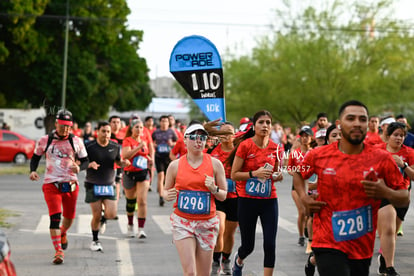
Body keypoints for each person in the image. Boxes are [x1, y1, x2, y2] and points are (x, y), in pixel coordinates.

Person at [293, 100, 409, 276]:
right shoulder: (319, 155)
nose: (357, 123)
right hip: (327, 239)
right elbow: (298, 174)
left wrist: (385, 192)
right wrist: (304, 197)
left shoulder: (381, 158)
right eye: (351, 118)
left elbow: (404, 197)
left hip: (361, 245)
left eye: (362, 119)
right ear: (339, 124)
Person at [163, 123, 228, 276]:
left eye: (202, 137)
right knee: (190, 272)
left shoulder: (215, 164)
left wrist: (214, 189)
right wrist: (167, 195)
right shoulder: (175, 166)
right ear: (185, 140)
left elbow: (223, 195)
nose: (198, 141)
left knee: (203, 273)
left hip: (207, 223)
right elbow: (165, 191)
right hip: (183, 222)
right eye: (193, 137)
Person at [228, 110, 284, 276]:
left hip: (269, 200)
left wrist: (277, 176)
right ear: (254, 125)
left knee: (270, 244)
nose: (265, 126)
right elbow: (234, 174)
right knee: (248, 246)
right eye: (261, 122)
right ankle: (239, 260)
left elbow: (276, 172)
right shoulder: (245, 146)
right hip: (247, 201)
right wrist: (254, 174)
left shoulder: (276, 148)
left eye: (268, 122)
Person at [29, 109, 89, 264]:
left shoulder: (76, 141)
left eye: (68, 126)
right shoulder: (45, 140)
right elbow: (35, 157)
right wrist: (33, 171)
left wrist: (79, 167)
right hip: (51, 184)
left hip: (70, 184)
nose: (65, 129)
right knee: (55, 218)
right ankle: (58, 251)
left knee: (69, 218)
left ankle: (63, 233)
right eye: (62, 126)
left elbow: (86, 161)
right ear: (56, 124)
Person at [84, 122, 130, 251]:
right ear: (97, 131)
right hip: (93, 184)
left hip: (109, 184)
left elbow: (117, 161)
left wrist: (123, 163)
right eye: (103, 131)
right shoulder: (90, 146)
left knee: (112, 213)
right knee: (96, 215)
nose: (106, 134)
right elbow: (80, 163)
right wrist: (89, 164)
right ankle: (95, 240)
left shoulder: (115, 146)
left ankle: (104, 219)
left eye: (108, 132)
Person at [376, 122, 414, 276]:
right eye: (396, 135)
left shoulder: (409, 152)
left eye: (402, 136)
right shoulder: (379, 151)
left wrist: (403, 165)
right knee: (389, 230)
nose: (399, 138)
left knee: (394, 231)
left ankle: (384, 261)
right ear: (388, 136)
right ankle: (390, 268)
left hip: (402, 195)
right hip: (384, 194)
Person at [209, 122, 238, 275]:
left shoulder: (239, 151)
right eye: (223, 132)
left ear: (235, 135)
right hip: (218, 196)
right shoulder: (212, 151)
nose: (226, 135)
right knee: (219, 229)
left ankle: (226, 259)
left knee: (229, 233)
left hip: (235, 196)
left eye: (229, 132)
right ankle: (216, 261)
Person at [122, 119, 152, 238]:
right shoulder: (127, 140)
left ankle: (141, 229)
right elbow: (126, 155)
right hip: (129, 174)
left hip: (143, 173)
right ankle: (130, 225)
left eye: (141, 127)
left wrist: (149, 159)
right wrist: (139, 147)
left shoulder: (144, 141)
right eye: (137, 127)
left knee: (142, 201)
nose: (139, 130)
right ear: (131, 129)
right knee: (131, 202)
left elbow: (144, 155)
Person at [288, 125, 313, 247]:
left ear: (311, 138)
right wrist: (297, 173)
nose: (304, 139)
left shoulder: (314, 152)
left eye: (307, 136)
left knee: (309, 212)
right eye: (302, 136)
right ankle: (301, 236)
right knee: (302, 211)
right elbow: (289, 168)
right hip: (297, 187)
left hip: (311, 185)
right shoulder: (294, 154)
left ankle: (310, 233)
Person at [152, 115, 178, 206]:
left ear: (168, 123)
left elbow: (177, 142)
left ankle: (166, 191)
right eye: (162, 121)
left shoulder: (171, 132)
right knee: (160, 175)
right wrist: (154, 145)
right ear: (160, 122)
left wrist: (172, 143)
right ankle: (161, 197)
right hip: (159, 156)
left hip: (168, 157)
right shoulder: (156, 132)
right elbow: (151, 142)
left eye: (166, 121)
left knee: (167, 177)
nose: (164, 123)